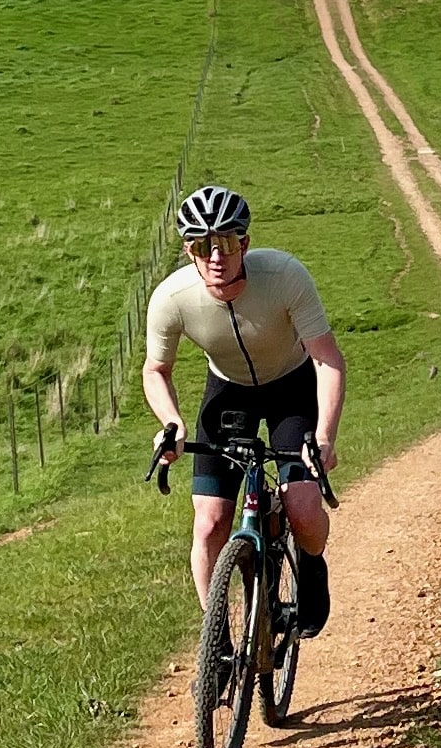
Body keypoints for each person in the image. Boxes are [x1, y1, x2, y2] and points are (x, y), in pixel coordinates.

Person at [143, 184, 344, 632]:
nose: (217, 256)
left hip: (291, 388)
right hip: (227, 393)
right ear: (188, 250)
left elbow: (327, 359)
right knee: (210, 522)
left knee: (304, 507)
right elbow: (156, 370)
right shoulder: (171, 299)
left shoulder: (285, 277)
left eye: (228, 242)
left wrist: (326, 436)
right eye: (203, 245)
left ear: (246, 244)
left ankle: (311, 565)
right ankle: (217, 640)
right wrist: (171, 424)